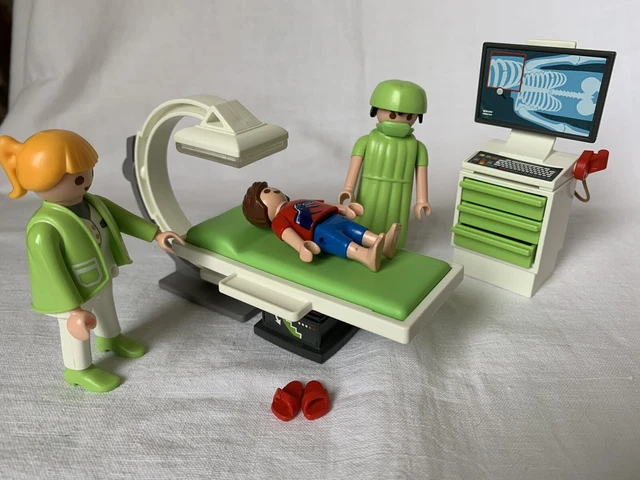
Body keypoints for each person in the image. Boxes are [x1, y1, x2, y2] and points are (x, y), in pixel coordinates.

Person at [0, 130, 184, 392]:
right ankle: (78, 369)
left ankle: (110, 338)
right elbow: (50, 272)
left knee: (107, 310)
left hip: (101, 274)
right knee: (76, 332)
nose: (86, 181)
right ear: (42, 181)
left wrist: (155, 234)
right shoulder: (44, 228)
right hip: (73, 291)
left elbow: (124, 219)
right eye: (77, 178)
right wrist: (72, 308)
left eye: (88, 172)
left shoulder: (94, 203)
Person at [339, 79, 431, 248]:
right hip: (369, 193)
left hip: (400, 196)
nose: (399, 120)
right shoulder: (365, 141)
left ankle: (390, 245)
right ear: (375, 110)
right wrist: (348, 189)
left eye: (408, 116)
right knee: (365, 218)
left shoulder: (418, 148)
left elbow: (421, 175)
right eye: (393, 115)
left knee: (394, 224)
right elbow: (355, 167)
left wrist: (421, 200)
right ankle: (361, 242)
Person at [242, 181, 401, 272]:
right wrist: (301, 247)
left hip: (332, 216)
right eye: (267, 192)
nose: (274, 191)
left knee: (354, 228)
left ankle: (384, 244)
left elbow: (321, 204)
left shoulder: (297, 201)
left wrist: (344, 208)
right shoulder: (278, 221)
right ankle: (365, 256)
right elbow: (288, 233)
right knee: (340, 240)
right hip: (318, 230)